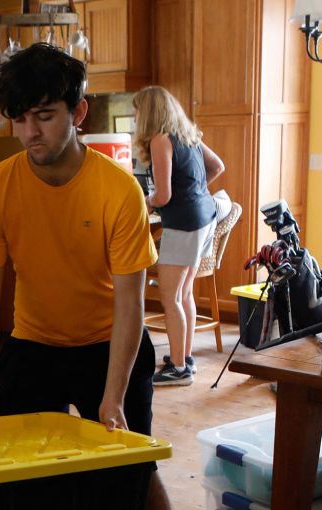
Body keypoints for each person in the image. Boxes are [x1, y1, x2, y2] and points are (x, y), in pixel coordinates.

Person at [0, 43, 179, 510]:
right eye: (19, 119)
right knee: (27, 479)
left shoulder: (117, 191)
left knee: (132, 472)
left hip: (110, 346)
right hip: (34, 347)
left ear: (78, 113)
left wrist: (114, 396)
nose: (30, 132)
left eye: (44, 116)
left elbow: (130, 305)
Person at [132, 86, 225, 386]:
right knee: (183, 293)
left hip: (184, 223)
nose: (135, 118)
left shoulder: (161, 140)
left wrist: (143, 201)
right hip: (204, 217)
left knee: (169, 296)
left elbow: (163, 195)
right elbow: (217, 166)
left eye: (137, 113)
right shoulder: (189, 137)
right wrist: (195, 191)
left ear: (148, 113)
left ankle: (179, 369)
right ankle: (183, 359)